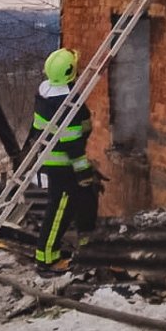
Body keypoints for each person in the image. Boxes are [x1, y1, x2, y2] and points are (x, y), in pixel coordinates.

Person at [28, 48, 98, 275]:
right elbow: (73, 146)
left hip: (50, 159)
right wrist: (83, 172)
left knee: (78, 201)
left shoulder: (45, 93)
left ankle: (80, 246)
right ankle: (47, 259)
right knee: (59, 210)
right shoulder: (68, 104)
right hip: (63, 166)